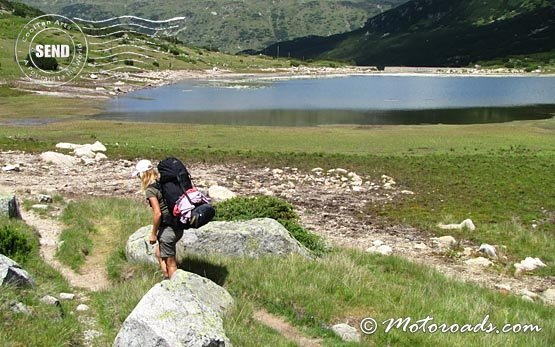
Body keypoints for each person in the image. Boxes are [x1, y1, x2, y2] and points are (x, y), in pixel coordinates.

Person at [132, 159, 183, 279]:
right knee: (159, 253)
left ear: (143, 174)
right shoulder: (163, 182)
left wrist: (153, 234)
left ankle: (174, 287)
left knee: (171, 263)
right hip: (178, 226)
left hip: (167, 230)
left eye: (139, 175)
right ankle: (166, 279)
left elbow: (157, 214)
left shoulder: (150, 190)